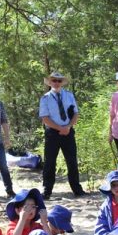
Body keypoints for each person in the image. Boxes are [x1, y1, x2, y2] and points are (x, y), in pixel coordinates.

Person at [39, 71, 86, 199]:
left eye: (59, 81)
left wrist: (68, 127)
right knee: (49, 162)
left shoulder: (69, 96)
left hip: (68, 131)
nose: (57, 83)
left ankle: (77, 189)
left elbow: (75, 113)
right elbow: (44, 117)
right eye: (54, 80)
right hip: (52, 133)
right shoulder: (45, 98)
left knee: (72, 161)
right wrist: (60, 128)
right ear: (50, 82)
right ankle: (47, 190)